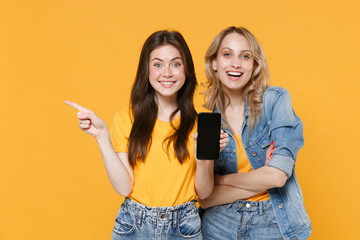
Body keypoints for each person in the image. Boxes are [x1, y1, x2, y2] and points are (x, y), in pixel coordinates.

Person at [65, 30, 228, 239]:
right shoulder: (125, 119)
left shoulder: (203, 122)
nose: (167, 73)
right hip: (133, 225)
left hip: (183, 227)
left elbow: (204, 193)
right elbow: (125, 187)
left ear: (186, 69)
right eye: (158, 64)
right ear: (147, 70)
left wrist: (202, 159)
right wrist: (102, 137)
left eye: (176, 64)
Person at [199, 26, 312, 240]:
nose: (235, 63)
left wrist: (221, 181)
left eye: (245, 56)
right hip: (219, 225)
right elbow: (205, 198)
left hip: (272, 221)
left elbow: (277, 177)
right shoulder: (206, 119)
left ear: (254, 65)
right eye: (227, 54)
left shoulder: (275, 101)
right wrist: (261, 178)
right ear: (214, 63)